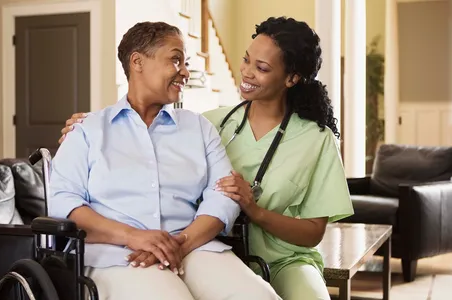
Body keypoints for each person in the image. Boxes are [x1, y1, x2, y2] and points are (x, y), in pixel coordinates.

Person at [60, 17, 354, 300]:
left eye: (261, 67)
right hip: (121, 254)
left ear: (291, 78)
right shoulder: (90, 130)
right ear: (137, 62)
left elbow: (222, 196)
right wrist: (136, 237)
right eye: (177, 61)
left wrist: (179, 241)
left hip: (217, 250)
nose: (186, 73)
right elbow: (64, 201)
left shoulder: (199, 127)